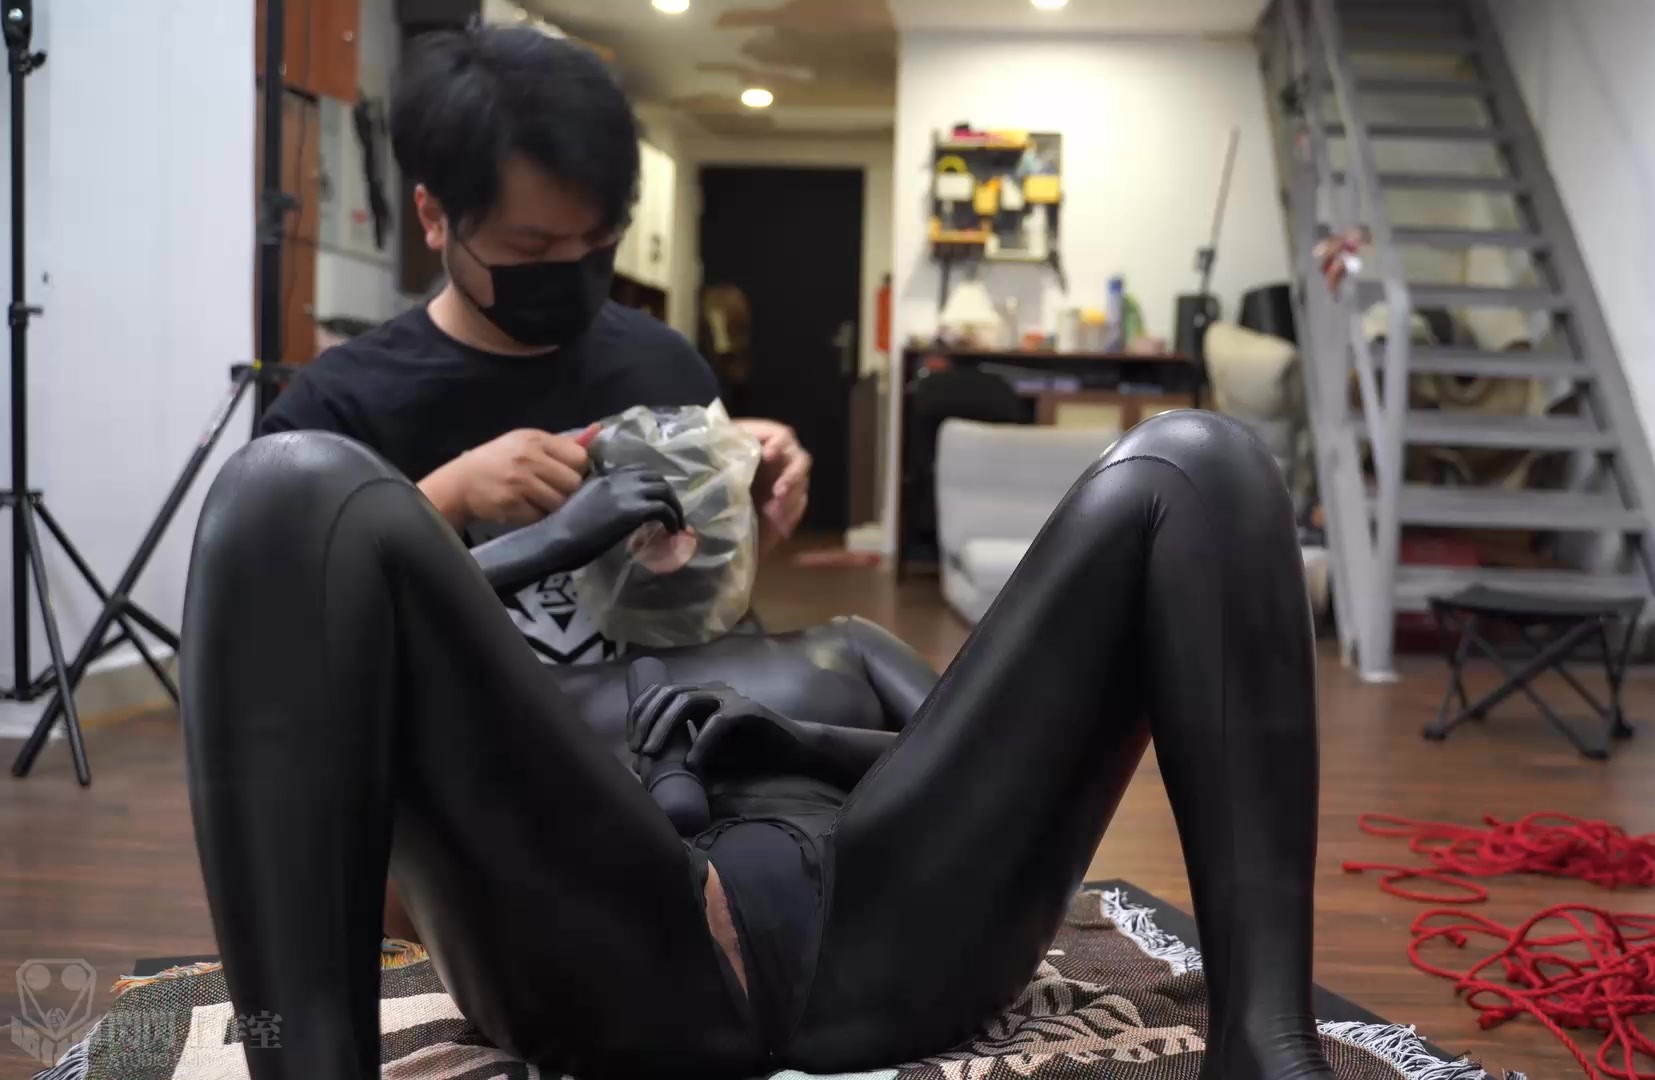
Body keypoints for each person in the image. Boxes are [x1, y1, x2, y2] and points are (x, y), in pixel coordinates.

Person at [182, 409, 1334, 1080]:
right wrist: (540, 545)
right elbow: (346, 684)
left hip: (896, 917)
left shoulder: (842, 643)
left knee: (1200, 460)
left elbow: (995, 769)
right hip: (618, 957)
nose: (666, 524)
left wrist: (805, 740)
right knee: (288, 484)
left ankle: (1264, 1042)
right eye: (633, 503)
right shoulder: (539, 691)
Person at [258, 25, 810, 666]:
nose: (572, 268)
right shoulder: (335, 412)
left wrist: (748, 505)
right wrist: (450, 497)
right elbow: (280, 624)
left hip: (643, 727)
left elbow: (701, 607)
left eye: (599, 239)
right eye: (532, 247)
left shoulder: (664, 366)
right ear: (434, 217)